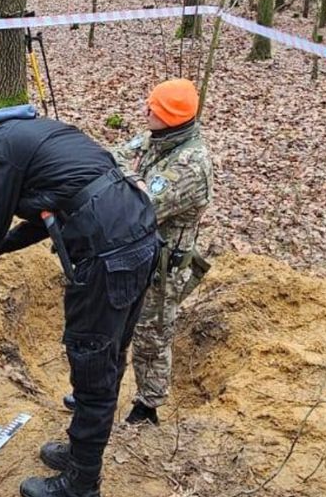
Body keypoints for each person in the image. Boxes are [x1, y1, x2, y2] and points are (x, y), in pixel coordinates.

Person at [0, 104, 160, 497]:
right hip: (137, 236)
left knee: (92, 362)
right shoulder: (28, 134)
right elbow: (39, 220)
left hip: (107, 252)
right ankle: (80, 452)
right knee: (107, 356)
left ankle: (81, 487)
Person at [63, 79, 214, 426]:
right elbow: (109, 157)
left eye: (155, 110)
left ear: (174, 118)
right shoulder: (153, 139)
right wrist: (130, 177)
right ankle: (99, 394)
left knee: (152, 335)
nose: (145, 112)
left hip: (162, 268)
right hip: (130, 254)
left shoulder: (192, 164)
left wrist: (124, 179)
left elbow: (138, 204)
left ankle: (148, 405)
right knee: (113, 328)